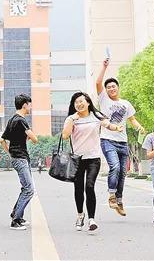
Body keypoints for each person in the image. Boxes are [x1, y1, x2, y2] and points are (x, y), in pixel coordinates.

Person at [61, 92, 122, 233]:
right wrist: (72, 120)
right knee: (78, 188)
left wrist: (116, 127)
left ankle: (91, 219)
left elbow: (107, 124)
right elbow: (65, 136)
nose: (79, 104)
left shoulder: (96, 116)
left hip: (93, 158)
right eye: (76, 102)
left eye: (81, 101)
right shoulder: (71, 118)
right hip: (77, 159)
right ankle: (80, 215)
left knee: (89, 186)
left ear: (88, 102)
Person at [95, 58, 145, 216]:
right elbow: (98, 83)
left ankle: (119, 200)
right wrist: (104, 67)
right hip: (107, 140)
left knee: (123, 172)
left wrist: (139, 127)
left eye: (113, 86)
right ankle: (111, 196)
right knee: (115, 167)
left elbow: (132, 119)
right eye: (108, 87)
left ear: (118, 87)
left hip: (123, 142)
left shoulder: (126, 103)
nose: (111, 88)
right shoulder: (103, 100)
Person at [0, 94, 38, 230]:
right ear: (25, 105)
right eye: (30, 104)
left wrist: (10, 153)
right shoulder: (21, 120)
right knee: (29, 189)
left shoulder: (11, 120)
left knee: (25, 188)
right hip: (21, 158)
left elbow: (2, 140)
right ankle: (15, 221)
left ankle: (17, 214)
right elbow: (34, 139)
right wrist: (30, 135)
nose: (31, 107)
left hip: (18, 158)